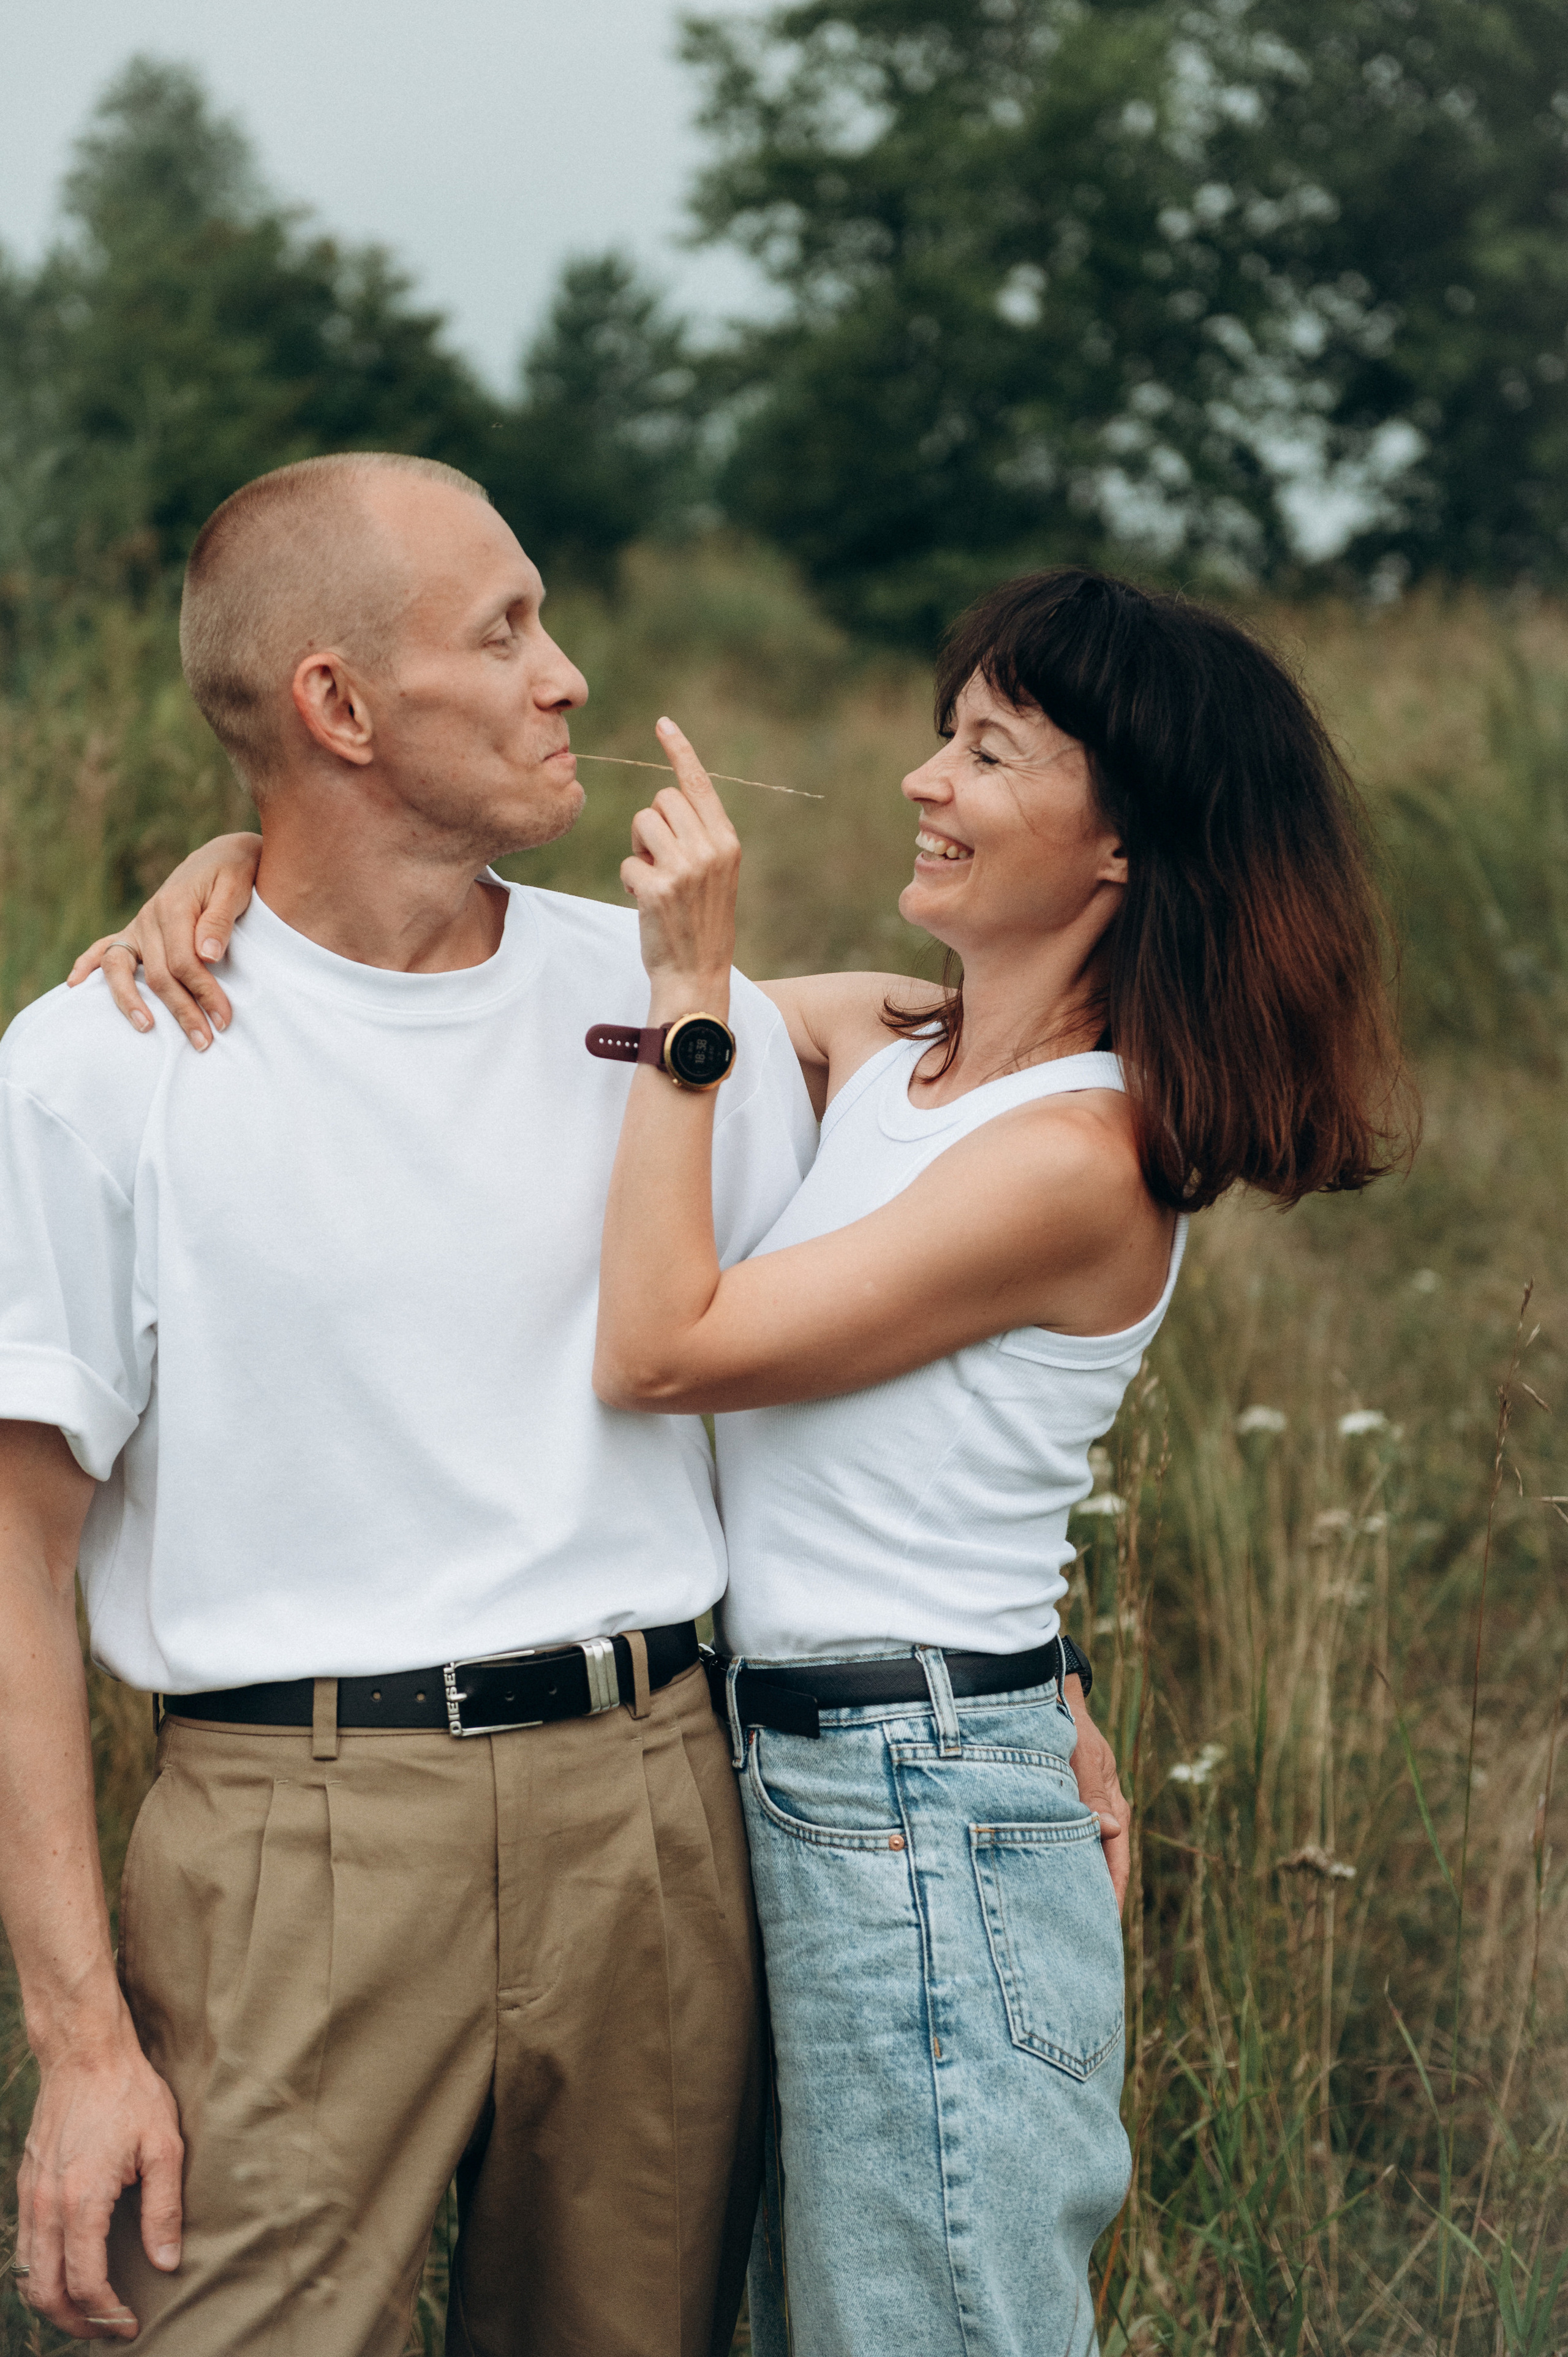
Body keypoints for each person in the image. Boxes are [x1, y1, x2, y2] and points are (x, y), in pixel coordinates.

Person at [74, 567, 1411, 2354]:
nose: (926, 783)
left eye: (991, 755)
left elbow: (662, 1349)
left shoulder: (1086, 1154)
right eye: (945, 737)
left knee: (923, 2326)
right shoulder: (902, 1046)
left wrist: (692, 978)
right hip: (793, 1777)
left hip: (918, 1800)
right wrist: (240, 873)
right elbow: (483, 983)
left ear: (1118, 849)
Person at [0, 450, 818, 2354]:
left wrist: (1059, 1702)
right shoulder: (98, 1067)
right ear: (338, 706)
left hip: (652, 1816)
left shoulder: (670, 1003)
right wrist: (81, 2045)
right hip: (294, 1843)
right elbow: (13, 1579)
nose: (570, 680)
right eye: (505, 630)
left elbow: (822, 1391)